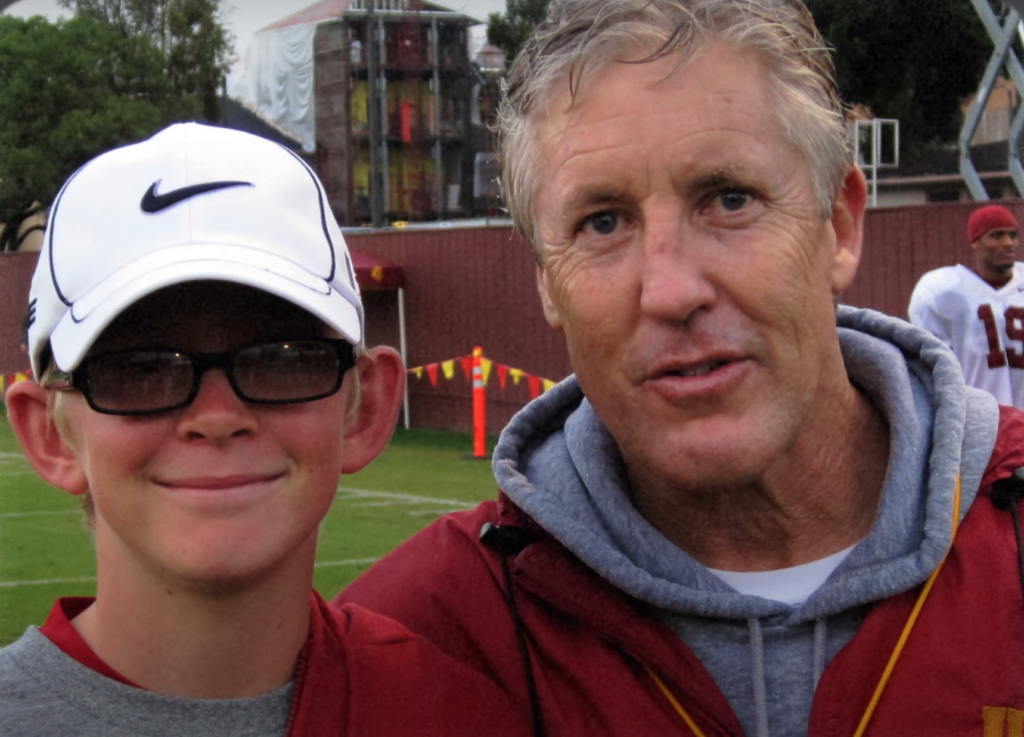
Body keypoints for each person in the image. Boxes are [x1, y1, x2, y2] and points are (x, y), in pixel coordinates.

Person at [335, 1, 1024, 735]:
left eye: (729, 199)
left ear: (839, 225)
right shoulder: (414, 642)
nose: (669, 290)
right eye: (602, 222)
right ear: (547, 282)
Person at [0, 123, 527, 736]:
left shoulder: (457, 718)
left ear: (365, 408)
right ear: (49, 435)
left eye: (282, 359)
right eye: (140, 370)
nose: (217, 418)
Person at [908, 204, 1024, 407]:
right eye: (997, 236)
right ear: (975, 242)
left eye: (1013, 235)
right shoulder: (943, 290)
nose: (1008, 243)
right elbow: (934, 367)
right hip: (980, 415)